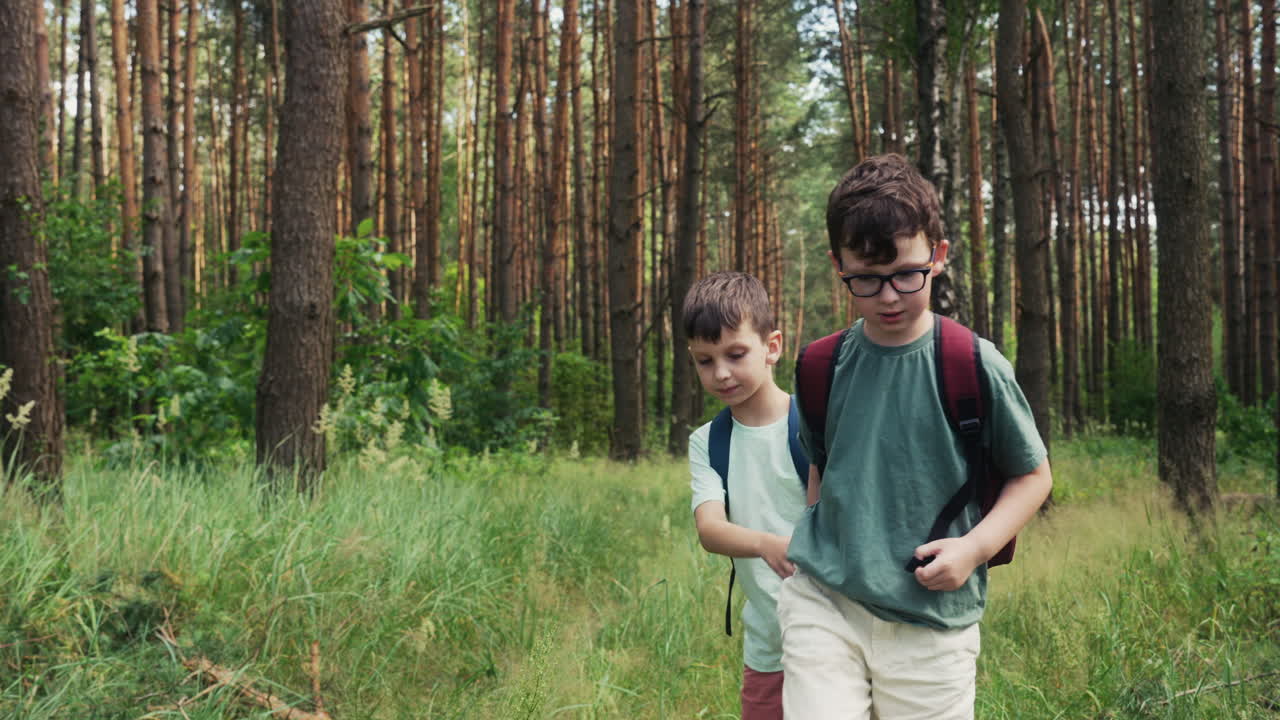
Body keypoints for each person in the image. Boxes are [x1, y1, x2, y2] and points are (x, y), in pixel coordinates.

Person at [779, 153, 1053, 720]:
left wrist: (973, 549)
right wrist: (820, 541)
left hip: (933, 621)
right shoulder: (820, 365)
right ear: (838, 265)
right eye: (865, 279)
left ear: (938, 256)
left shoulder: (973, 364)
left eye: (907, 274)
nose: (888, 296)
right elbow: (822, 466)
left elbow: (1033, 474)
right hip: (825, 604)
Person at [684, 271, 807, 720]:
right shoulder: (707, 442)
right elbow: (709, 528)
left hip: (836, 634)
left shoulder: (814, 423)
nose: (720, 373)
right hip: (766, 645)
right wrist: (765, 545)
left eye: (736, 354)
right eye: (704, 360)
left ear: (772, 346)